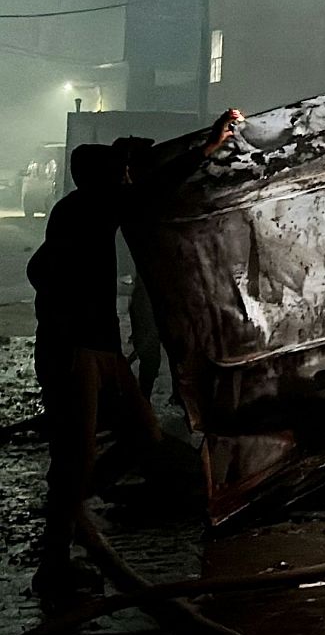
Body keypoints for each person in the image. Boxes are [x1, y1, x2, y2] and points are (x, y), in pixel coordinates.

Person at [27, 110, 242, 602]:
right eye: (120, 169)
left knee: (142, 434)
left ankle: (72, 504)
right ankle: (54, 562)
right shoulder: (86, 210)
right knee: (75, 454)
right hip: (76, 350)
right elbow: (152, 189)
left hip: (97, 347)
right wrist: (206, 150)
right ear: (101, 179)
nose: (127, 176)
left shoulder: (81, 211)